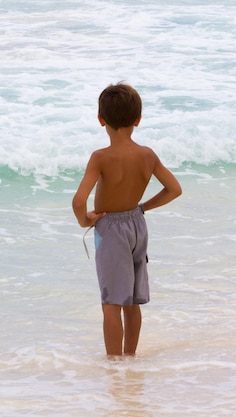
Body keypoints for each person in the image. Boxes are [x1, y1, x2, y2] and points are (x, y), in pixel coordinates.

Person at [72, 82, 182, 356]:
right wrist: (142, 207)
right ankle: (130, 359)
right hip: (137, 225)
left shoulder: (100, 158)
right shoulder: (147, 155)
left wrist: (85, 221)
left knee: (111, 302)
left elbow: (78, 201)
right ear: (138, 119)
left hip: (110, 229)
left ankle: (114, 365)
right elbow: (174, 190)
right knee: (132, 300)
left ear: (100, 120)